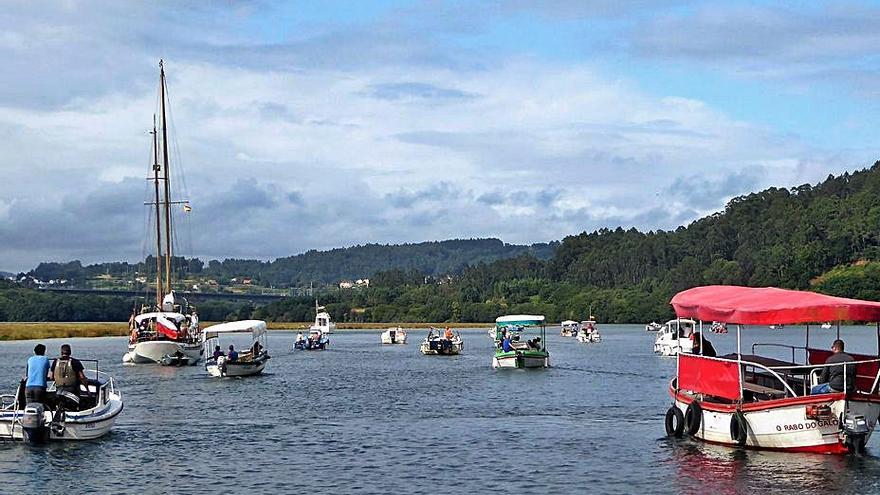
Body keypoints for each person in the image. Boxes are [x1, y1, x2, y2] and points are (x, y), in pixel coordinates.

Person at [49, 344, 88, 414]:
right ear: (70, 352)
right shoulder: (75, 362)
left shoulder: (55, 362)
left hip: (59, 391)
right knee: (75, 408)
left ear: (61, 352)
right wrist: (87, 390)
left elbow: (51, 377)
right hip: (72, 392)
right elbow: (82, 377)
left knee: (59, 407)